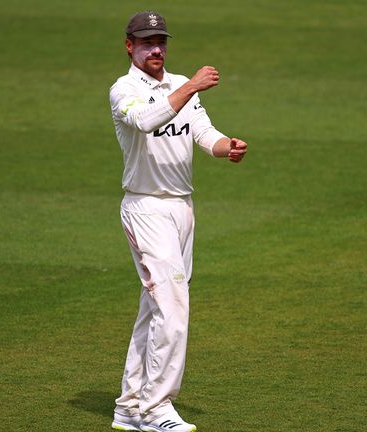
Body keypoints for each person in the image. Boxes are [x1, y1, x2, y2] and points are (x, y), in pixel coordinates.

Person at [108, 10, 247, 432]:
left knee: (155, 306)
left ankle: (131, 405)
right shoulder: (123, 89)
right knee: (172, 306)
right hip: (145, 207)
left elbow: (202, 133)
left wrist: (228, 147)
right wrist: (189, 86)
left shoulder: (180, 85)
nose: (157, 49)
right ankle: (157, 409)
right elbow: (145, 120)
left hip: (182, 208)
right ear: (130, 45)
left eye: (161, 41)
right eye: (147, 42)